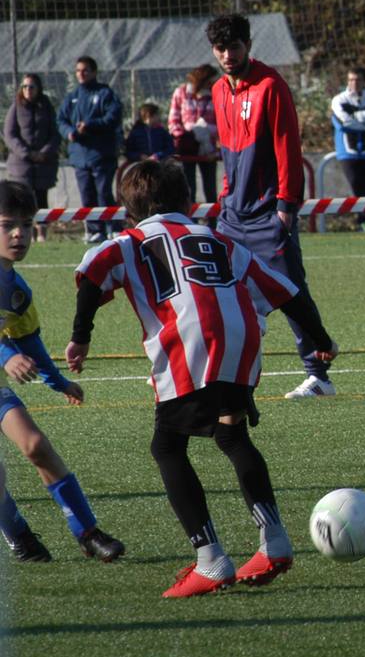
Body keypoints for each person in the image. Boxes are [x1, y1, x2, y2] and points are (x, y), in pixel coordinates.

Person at [65, 160, 339, 598]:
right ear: (189, 202)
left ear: (127, 210)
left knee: (167, 446)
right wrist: (321, 339)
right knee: (232, 438)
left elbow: (92, 270)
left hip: (187, 345)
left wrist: (80, 337)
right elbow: (286, 290)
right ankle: (275, 542)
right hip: (242, 341)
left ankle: (210, 559)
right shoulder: (218, 239)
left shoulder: (130, 240)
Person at [206, 13, 337, 400]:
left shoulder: (270, 86)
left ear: (248, 45)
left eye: (234, 46)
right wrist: (225, 197)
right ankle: (218, 368)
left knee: (290, 291)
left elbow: (287, 148)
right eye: (220, 48)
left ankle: (319, 375)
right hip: (232, 213)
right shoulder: (217, 91)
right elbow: (227, 152)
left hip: (268, 213)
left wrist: (286, 205)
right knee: (219, 287)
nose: (228, 54)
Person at [0, 181, 124, 564]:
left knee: (36, 446)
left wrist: (60, 382)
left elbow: (30, 340)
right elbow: (14, 348)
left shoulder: (16, 288)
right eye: (7, 225)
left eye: (26, 224)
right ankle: (18, 534)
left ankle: (87, 532)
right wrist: (6, 357)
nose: (19, 233)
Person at [56, 56, 124, 243]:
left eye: (85, 70)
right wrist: (69, 132)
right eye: (78, 70)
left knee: (104, 193)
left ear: (94, 72)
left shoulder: (104, 94)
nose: (81, 74)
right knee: (87, 195)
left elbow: (113, 116)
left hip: (101, 154)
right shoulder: (72, 98)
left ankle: (113, 228)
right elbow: (60, 120)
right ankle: (95, 230)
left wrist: (90, 125)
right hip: (79, 156)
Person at [4, 74, 60, 242]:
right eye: (25, 86)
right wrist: (27, 153)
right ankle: (25, 233)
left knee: (42, 199)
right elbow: (9, 134)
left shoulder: (46, 106)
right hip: (22, 165)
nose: (28, 90)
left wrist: (44, 152)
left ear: (38, 89)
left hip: (43, 164)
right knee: (23, 200)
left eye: (31, 86)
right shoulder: (16, 107)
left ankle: (41, 234)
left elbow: (55, 134)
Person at [330, 67, 365, 232]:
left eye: (358, 80)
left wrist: (357, 117)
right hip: (348, 153)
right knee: (357, 186)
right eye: (351, 80)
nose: (354, 83)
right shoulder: (339, 100)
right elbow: (343, 121)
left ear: (364, 81)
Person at [168, 64, 220, 205]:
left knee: (210, 189)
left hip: (208, 149)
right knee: (187, 188)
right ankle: (189, 222)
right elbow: (174, 121)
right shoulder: (181, 93)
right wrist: (185, 137)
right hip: (187, 148)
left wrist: (210, 135)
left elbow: (222, 123)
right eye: (210, 80)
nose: (214, 83)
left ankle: (212, 221)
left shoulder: (216, 94)